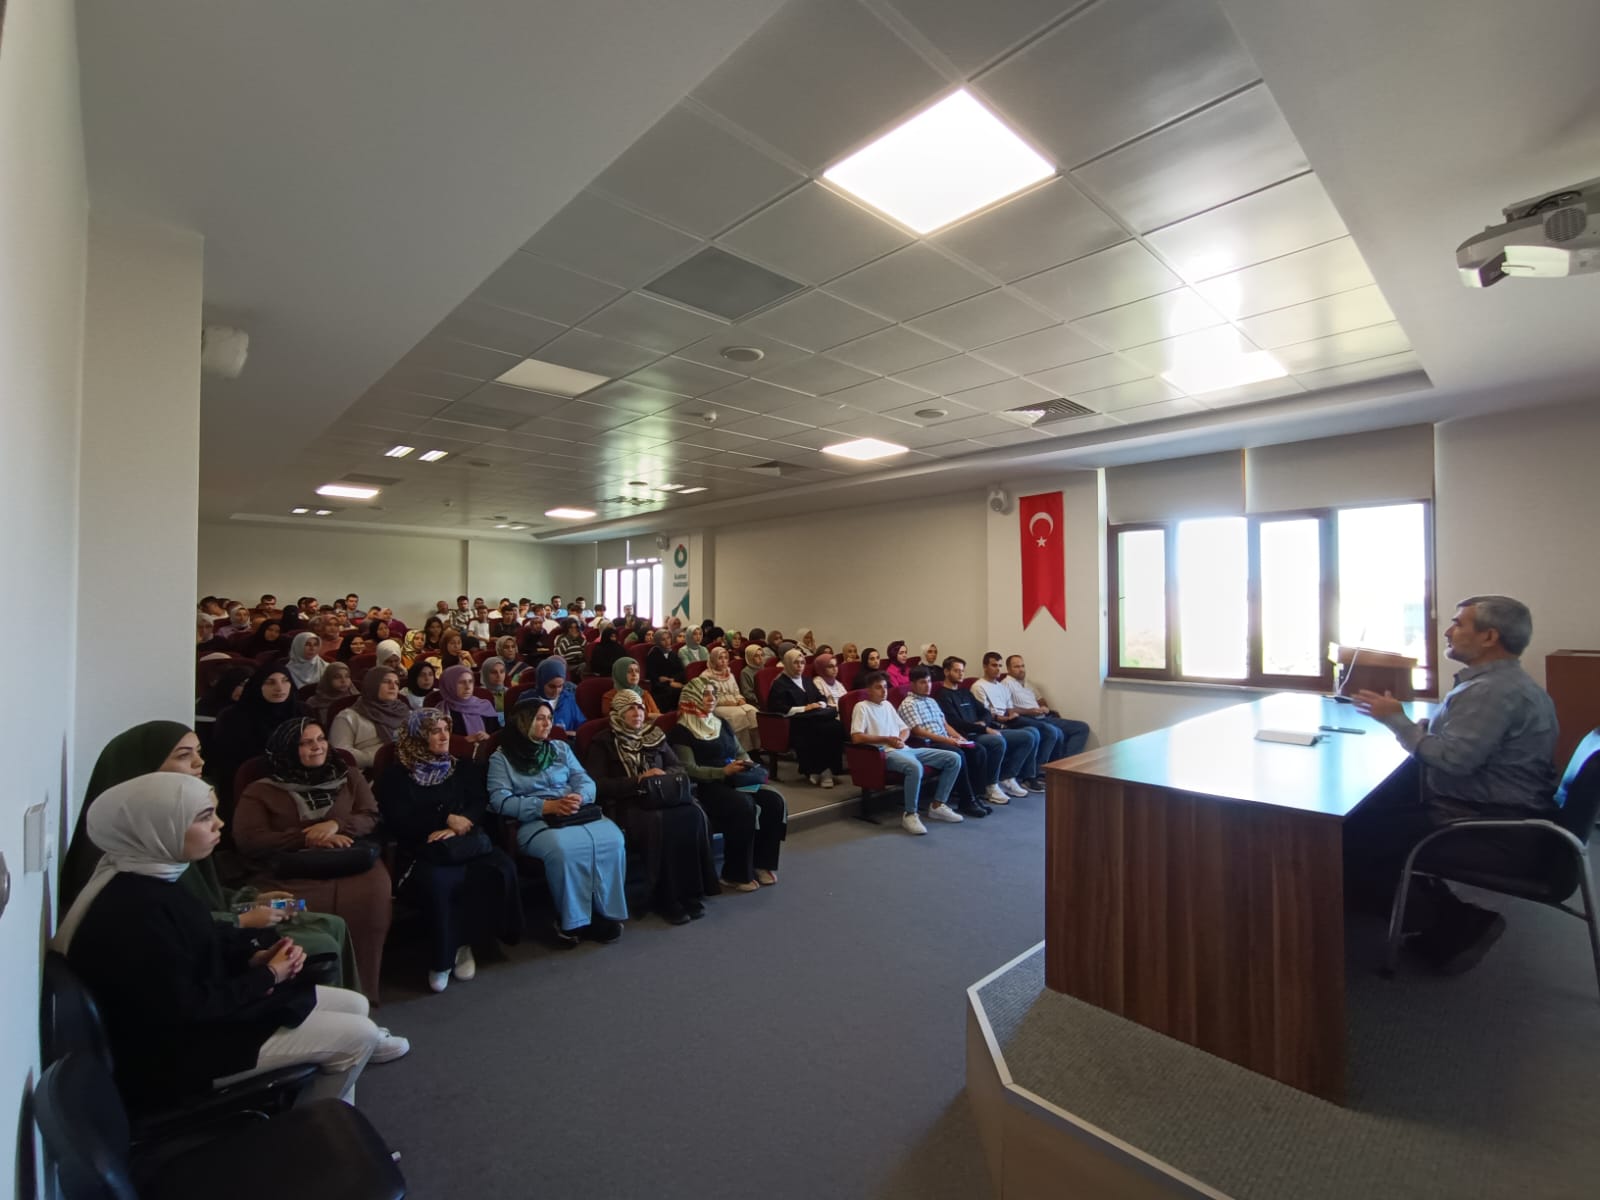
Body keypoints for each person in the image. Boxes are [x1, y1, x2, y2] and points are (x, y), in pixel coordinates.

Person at [55, 773, 404, 1112]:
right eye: (205, 817)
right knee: (358, 1035)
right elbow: (185, 1007)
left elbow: (199, 940)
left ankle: (334, 1117)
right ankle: (313, 1138)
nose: (219, 824)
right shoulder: (135, 912)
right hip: (181, 1053)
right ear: (159, 828)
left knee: (355, 1006)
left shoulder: (151, 877)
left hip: (204, 1015)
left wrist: (253, 957)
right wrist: (268, 975)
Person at [61, 721, 360, 991]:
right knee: (318, 940)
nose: (198, 762)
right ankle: (330, 1027)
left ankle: (352, 1016)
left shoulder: (176, 822)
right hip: (206, 946)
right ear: (144, 767)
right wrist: (242, 917)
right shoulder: (134, 842)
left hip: (219, 920)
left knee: (332, 923)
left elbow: (203, 895)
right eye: (183, 755)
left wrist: (250, 900)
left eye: (199, 752)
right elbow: (172, 925)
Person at [1347, 595, 1560, 973]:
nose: (1447, 630)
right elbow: (1465, 747)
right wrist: (1423, 731)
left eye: (1459, 623)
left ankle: (1453, 921)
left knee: (1351, 837)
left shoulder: (1492, 692)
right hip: (1496, 809)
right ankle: (1403, 905)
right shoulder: (1496, 683)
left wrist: (1398, 721)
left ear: (1489, 636)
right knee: (1373, 814)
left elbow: (1453, 760)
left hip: (1492, 825)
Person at [232, 719, 393, 1002]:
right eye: (306, 743)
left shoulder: (349, 775)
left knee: (372, 899)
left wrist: (335, 825)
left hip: (350, 862)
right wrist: (305, 838)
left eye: (320, 739)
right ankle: (310, 998)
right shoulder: (261, 789)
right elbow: (250, 839)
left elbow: (371, 815)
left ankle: (362, 994)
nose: (317, 747)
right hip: (288, 871)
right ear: (287, 749)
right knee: (298, 913)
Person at [377, 710, 522, 992]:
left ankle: (466, 944)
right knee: (440, 883)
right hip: (423, 847)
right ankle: (442, 957)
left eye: (446, 729)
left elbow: (479, 801)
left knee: (499, 868)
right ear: (417, 737)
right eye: (434, 731)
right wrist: (443, 820)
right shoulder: (396, 776)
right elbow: (398, 818)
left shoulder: (462, 767)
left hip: (465, 841)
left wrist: (462, 823)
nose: (444, 736)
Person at [487, 696, 627, 946]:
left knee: (613, 839)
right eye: (539, 719)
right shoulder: (502, 757)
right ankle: (572, 920)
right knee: (566, 850)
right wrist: (545, 806)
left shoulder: (559, 748)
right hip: (535, 820)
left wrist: (578, 797)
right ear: (523, 722)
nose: (547, 724)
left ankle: (603, 912)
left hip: (575, 810)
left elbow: (585, 780)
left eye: (549, 719)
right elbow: (500, 801)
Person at [583, 692, 718, 925]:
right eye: (630, 709)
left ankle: (689, 891)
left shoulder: (655, 736)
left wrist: (662, 776)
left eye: (641, 708)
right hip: (628, 803)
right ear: (618, 713)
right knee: (661, 824)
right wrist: (638, 780)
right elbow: (598, 784)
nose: (637, 713)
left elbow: (678, 767)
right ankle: (665, 897)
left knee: (693, 815)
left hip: (663, 797)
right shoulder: (603, 741)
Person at [668, 677, 785, 892]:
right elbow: (689, 769)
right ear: (691, 697)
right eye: (705, 694)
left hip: (734, 778)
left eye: (713, 693)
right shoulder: (681, 731)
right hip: (705, 786)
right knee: (743, 806)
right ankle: (735, 873)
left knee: (774, 801)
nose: (711, 698)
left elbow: (739, 750)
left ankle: (762, 863)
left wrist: (745, 763)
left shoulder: (720, 723)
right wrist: (722, 772)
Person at [850, 671, 965, 835]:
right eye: (878, 688)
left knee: (953, 758)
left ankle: (938, 805)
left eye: (885, 687)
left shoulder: (888, 705)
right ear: (868, 689)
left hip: (903, 748)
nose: (884, 691)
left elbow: (905, 729)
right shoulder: (862, 707)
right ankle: (910, 814)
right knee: (915, 767)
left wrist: (901, 739)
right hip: (884, 753)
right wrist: (887, 739)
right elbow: (857, 737)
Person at [937, 657, 1040, 800]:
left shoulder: (965, 692)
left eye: (962, 671)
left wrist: (984, 724)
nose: (961, 674)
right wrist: (984, 729)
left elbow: (985, 712)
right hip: (967, 735)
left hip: (981, 729)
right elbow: (955, 723)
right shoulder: (942, 696)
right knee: (997, 741)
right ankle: (990, 786)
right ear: (946, 672)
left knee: (1031, 734)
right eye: (956, 671)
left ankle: (1007, 776)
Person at [898, 666, 993, 817]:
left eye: (929, 681)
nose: (927, 685)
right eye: (923, 682)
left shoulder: (931, 701)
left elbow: (945, 724)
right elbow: (918, 732)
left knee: (978, 750)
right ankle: (967, 801)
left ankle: (977, 796)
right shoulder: (908, 704)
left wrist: (959, 738)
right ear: (913, 684)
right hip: (929, 743)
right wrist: (948, 740)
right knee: (959, 754)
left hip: (945, 739)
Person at [211, 665, 305, 812]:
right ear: (257, 686)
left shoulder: (301, 711)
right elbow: (229, 764)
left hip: (302, 782)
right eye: (270, 682)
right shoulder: (233, 717)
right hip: (253, 786)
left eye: (285, 681)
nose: (280, 688)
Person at [972, 652, 1055, 790]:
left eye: (999, 665)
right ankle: (1007, 776)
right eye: (994, 665)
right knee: (1031, 735)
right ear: (985, 667)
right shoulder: (978, 686)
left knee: (1035, 731)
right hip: (994, 723)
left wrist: (1011, 714)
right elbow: (985, 713)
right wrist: (1004, 717)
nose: (998, 669)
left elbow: (1009, 708)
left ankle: (1026, 776)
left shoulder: (1001, 686)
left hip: (1008, 720)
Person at [767, 648, 846, 788]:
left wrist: (819, 704)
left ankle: (830, 768)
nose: (800, 666)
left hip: (814, 717)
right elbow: (776, 707)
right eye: (796, 663)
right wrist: (804, 708)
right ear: (787, 663)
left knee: (836, 727)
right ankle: (822, 770)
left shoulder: (807, 680)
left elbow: (821, 697)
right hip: (795, 722)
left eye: (802, 662)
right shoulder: (779, 683)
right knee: (820, 730)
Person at [1000, 654, 1091, 759]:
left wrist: (1044, 707)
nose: (1021, 669)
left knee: (1082, 727)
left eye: (1022, 666)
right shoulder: (1005, 684)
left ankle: (1066, 764)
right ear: (1008, 669)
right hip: (1026, 719)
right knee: (1057, 733)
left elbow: (1041, 699)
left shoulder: (1028, 684)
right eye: (1017, 667)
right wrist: (1029, 711)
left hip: (1043, 717)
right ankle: (1059, 767)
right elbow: (1007, 710)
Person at [329, 665, 409, 770]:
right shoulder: (347, 717)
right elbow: (341, 753)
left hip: (407, 768)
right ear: (372, 685)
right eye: (386, 682)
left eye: (396, 683)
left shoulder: (404, 711)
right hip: (367, 774)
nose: (393, 687)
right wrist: (380, 757)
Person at [703, 645, 759, 752]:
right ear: (714, 659)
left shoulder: (729, 674)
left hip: (734, 703)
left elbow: (736, 691)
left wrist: (740, 698)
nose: (724, 661)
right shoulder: (706, 676)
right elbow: (709, 698)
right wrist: (727, 702)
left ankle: (756, 748)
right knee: (738, 715)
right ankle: (743, 750)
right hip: (718, 705)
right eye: (720, 658)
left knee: (753, 711)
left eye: (726, 658)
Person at [438, 663, 502, 741]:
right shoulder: (441, 711)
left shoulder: (484, 705)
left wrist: (489, 738)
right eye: (461, 682)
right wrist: (463, 741)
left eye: (470, 681)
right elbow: (438, 740)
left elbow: (498, 735)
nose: (468, 687)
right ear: (449, 685)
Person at [533, 656, 585, 732]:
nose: (556, 691)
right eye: (552, 686)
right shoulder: (527, 700)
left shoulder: (570, 699)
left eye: (560, 686)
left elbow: (582, 727)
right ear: (541, 683)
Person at [644, 627, 686, 712]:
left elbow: (681, 671)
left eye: (668, 638)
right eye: (663, 640)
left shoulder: (672, 654)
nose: (667, 642)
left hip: (675, 682)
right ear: (658, 641)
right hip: (660, 687)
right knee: (674, 692)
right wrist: (669, 683)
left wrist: (674, 680)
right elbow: (652, 675)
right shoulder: (653, 655)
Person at [307, 661, 354, 727]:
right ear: (328, 679)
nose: (343, 681)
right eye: (337, 677)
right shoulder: (314, 702)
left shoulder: (354, 698)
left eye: (347, 676)